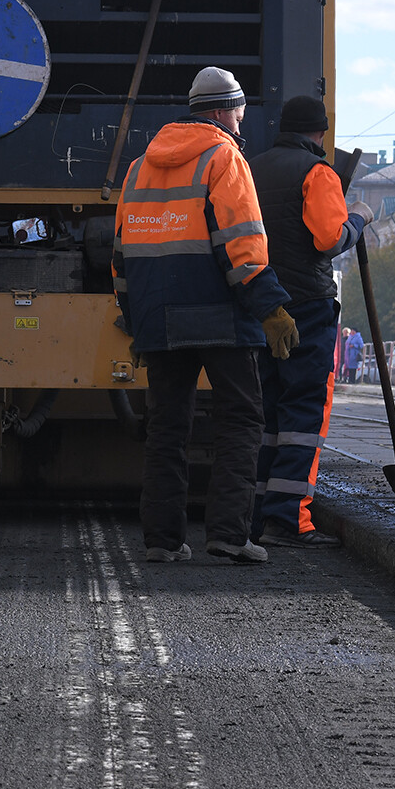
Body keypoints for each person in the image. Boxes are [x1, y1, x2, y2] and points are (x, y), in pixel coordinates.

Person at [113, 67, 298, 566]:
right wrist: (271, 307)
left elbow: (121, 255)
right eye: (238, 111)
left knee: (166, 428)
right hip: (220, 316)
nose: (241, 122)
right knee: (239, 419)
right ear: (221, 112)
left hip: (159, 318)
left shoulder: (137, 170)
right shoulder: (223, 158)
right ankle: (229, 534)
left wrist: (133, 319)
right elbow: (242, 243)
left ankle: (162, 540)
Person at [247, 94, 370, 547]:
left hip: (261, 305)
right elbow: (328, 238)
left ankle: (258, 516)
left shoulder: (251, 168)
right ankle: (289, 518)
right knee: (303, 414)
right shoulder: (318, 173)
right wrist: (358, 218)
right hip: (307, 307)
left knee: (267, 415)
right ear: (320, 133)